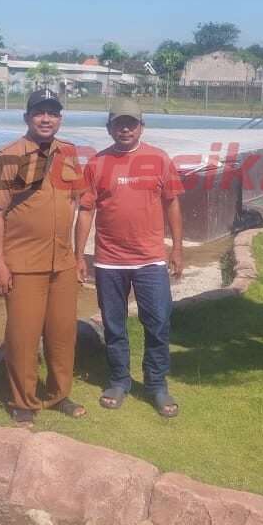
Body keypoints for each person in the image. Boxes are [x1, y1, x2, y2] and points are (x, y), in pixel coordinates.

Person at [0, 88, 87, 424]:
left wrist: (77, 253)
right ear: (27, 117)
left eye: (53, 113)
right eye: (40, 112)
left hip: (62, 261)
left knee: (62, 333)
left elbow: (77, 199)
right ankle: (23, 401)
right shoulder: (8, 156)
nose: (46, 118)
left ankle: (59, 395)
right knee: (23, 337)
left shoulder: (68, 153)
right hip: (24, 263)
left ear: (60, 118)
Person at [74, 99, 184, 418]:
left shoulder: (159, 160)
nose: (125, 129)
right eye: (119, 123)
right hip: (109, 261)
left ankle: (156, 384)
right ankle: (120, 380)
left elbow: (172, 204)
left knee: (159, 323)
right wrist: (79, 255)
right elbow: (85, 211)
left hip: (150, 259)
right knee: (114, 325)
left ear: (141, 126)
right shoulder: (96, 164)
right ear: (109, 128)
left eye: (131, 123)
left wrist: (176, 248)